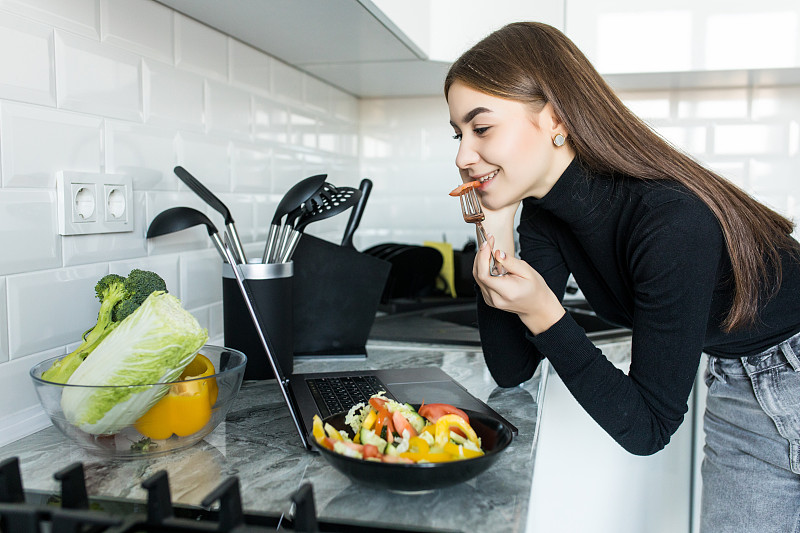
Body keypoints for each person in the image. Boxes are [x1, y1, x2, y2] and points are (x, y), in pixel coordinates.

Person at [445, 21, 800, 532]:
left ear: (555, 119)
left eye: (481, 129)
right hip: (736, 377)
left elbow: (648, 427)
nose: (461, 156)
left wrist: (547, 314)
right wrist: (495, 231)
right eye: (458, 134)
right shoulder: (546, 215)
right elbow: (511, 366)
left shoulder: (669, 220)